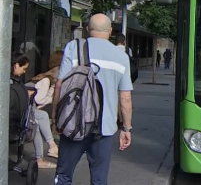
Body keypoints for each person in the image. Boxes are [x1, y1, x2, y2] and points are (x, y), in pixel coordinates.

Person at [52, 13, 133, 185]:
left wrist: (55, 118)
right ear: (110, 31)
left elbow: (59, 85)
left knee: (64, 175)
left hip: (74, 122)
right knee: (99, 179)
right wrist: (126, 128)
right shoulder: (121, 57)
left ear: (88, 29)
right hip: (104, 129)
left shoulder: (74, 47)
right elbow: (125, 98)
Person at [10, 53, 58, 169]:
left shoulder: (14, 81)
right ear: (16, 66)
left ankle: (51, 147)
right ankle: (41, 157)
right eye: (24, 68)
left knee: (40, 116)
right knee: (34, 121)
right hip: (13, 115)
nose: (25, 72)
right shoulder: (11, 82)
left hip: (17, 112)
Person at [29, 50, 63, 117]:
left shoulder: (50, 81)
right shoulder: (46, 80)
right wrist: (53, 99)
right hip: (38, 110)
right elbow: (39, 100)